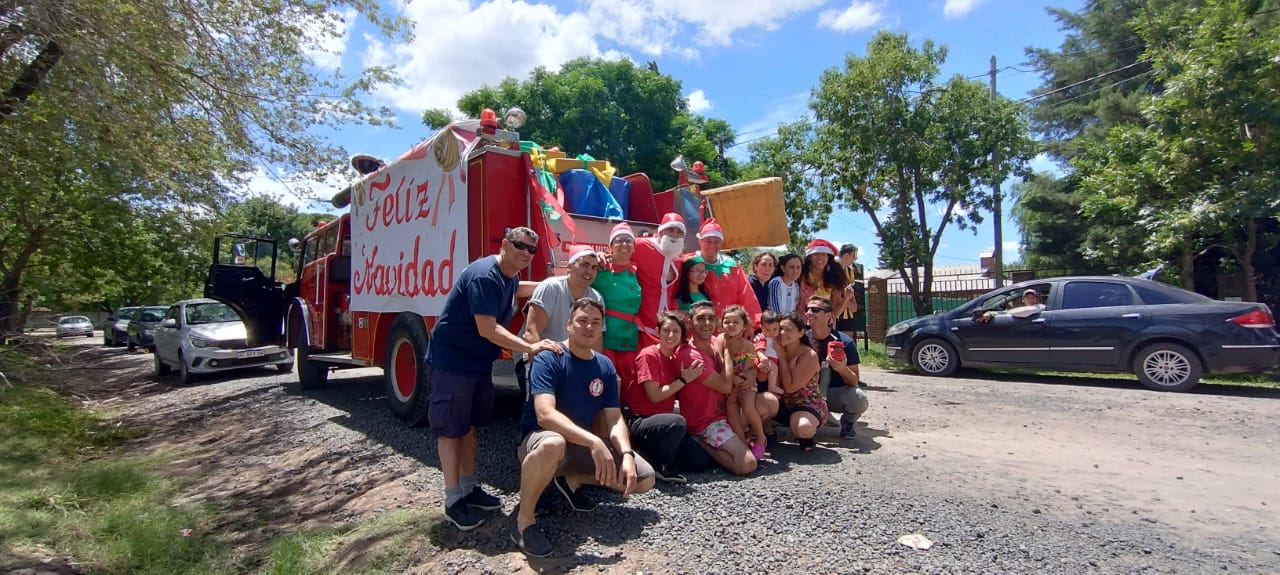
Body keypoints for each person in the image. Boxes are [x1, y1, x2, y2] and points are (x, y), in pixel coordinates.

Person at [426, 226, 563, 531]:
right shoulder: (484, 275)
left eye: (531, 250)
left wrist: (555, 282)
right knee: (451, 430)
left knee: (470, 428)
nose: (526, 253)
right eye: (520, 246)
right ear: (504, 243)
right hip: (452, 362)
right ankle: (452, 501)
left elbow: (516, 288)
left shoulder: (509, 274)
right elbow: (488, 329)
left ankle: (469, 487)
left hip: (476, 364)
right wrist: (530, 345)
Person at [514, 298, 656, 557]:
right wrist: (594, 442)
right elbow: (545, 415)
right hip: (542, 442)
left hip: (581, 449)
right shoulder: (550, 357)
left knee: (644, 479)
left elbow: (614, 419)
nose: (588, 327)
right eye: (582, 320)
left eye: (595, 322)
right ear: (568, 325)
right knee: (553, 443)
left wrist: (625, 454)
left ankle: (572, 481)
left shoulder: (604, 365)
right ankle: (524, 522)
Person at [626, 310, 716, 483]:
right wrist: (683, 379)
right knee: (678, 422)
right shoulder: (649, 355)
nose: (671, 335)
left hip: (664, 422)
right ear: (658, 332)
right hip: (642, 420)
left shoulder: (674, 358)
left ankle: (659, 455)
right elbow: (655, 396)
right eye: (666, 330)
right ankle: (661, 465)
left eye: (676, 331)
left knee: (700, 462)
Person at [675, 301, 758, 475]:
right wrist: (727, 353)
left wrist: (751, 374)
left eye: (711, 318)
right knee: (747, 464)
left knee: (768, 404)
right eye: (701, 318)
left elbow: (750, 362)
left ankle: (743, 441)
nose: (707, 323)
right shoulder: (689, 355)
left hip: (727, 412)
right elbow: (726, 386)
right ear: (690, 322)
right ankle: (701, 443)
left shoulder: (715, 341)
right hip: (706, 422)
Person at [803, 296, 869, 440]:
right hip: (808, 394)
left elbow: (854, 381)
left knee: (859, 398)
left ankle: (847, 423)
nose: (808, 313)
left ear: (828, 316)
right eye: (807, 309)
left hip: (834, 393)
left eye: (814, 309)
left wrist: (841, 368)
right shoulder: (802, 340)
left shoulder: (844, 342)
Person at [592, 223, 643, 399]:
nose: (624, 244)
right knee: (607, 381)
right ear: (610, 247)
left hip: (629, 337)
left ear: (634, 247)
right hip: (606, 336)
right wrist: (595, 257)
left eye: (628, 240)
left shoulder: (637, 271)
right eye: (619, 240)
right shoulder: (600, 270)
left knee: (629, 382)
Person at [523, 247, 604, 348]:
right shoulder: (551, 288)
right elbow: (532, 333)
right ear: (569, 267)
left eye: (594, 267)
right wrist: (541, 362)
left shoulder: (597, 298)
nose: (589, 271)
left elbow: (596, 341)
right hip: (540, 355)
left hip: (573, 359)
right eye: (584, 265)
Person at [715, 305, 766, 459]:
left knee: (748, 406)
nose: (730, 325)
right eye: (727, 322)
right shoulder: (721, 339)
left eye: (735, 322)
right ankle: (743, 444)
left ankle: (761, 437)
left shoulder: (749, 346)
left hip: (744, 383)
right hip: (729, 380)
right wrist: (733, 381)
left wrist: (741, 380)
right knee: (731, 409)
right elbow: (720, 361)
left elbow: (749, 369)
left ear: (744, 325)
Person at [774, 312, 829, 453]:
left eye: (788, 329)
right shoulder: (771, 347)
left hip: (805, 403)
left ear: (801, 333)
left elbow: (791, 387)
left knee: (803, 428)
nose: (782, 333)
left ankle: (805, 436)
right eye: (780, 329)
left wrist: (781, 357)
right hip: (780, 402)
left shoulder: (808, 355)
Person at [693, 218, 762, 327]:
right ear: (700, 241)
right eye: (708, 241)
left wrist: (750, 324)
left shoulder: (732, 266)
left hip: (728, 330)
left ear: (721, 244)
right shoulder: (689, 263)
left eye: (716, 241)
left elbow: (745, 295)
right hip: (698, 329)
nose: (712, 245)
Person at [633, 213, 686, 346]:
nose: (674, 234)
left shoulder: (678, 258)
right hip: (641, 321)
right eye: (671, 229)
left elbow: (672, 292)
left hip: (666, 325)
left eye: (679, 232)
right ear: (661, 231)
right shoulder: (640, 246)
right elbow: (616, 255)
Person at [797, 239, 848, 321]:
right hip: (799, 325)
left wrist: (846, 298)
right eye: (816, 254)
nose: (820, 257)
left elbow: (835, 312)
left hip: (824, 327)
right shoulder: (799, 275)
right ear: (809, 257)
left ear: (828, 257)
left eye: (823, 254)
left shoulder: (833, 280)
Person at [836, 244, 865, 340]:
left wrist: (851, 302)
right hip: (835, 311)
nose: (855, 258)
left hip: (847, 312)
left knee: (848, 343)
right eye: (854, 255)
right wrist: (846, 299)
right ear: (847, 255)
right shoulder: (833, 268)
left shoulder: (849, 270)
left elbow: (849, 289)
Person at [977, 289, 1045, 323]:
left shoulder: (1040, 307)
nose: (1030, 299)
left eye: (1033, 297)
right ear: (1023, 300)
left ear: (1037, 299)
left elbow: (1021, 312)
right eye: (1028, 297)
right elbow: (1007, 312)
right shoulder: (1020, 309)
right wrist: (991, 313)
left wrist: (993, 313)